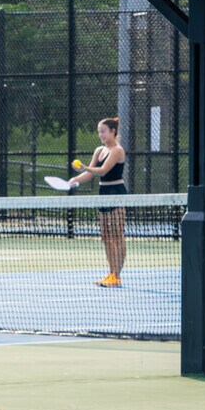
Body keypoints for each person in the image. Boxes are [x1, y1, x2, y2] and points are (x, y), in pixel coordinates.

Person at [67, 116, 127, 287]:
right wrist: (75, 180)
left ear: (112, 131)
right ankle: (111, 273)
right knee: (106, 236)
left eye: (103, 131)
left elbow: (102, 170)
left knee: (117, 235)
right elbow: (90, 174)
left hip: (116, 192)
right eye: (99, 132)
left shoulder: (117, 150)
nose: (100, 135)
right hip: (103, 192)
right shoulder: (98, 150)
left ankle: (117, 275)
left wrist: (85, 167)